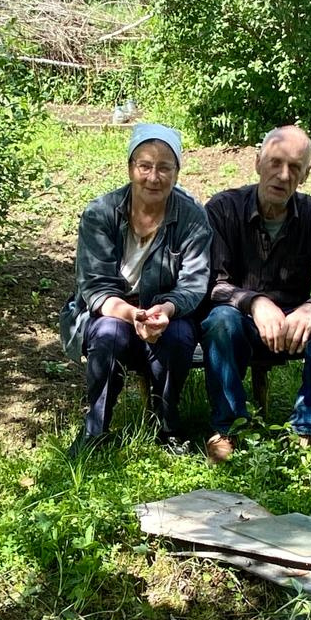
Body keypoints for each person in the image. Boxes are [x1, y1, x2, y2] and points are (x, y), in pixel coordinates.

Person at [200, 125, 311, 464]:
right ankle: (229, 428)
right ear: (258, 162)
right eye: (275, 162)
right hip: (242, 324)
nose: (283, 175)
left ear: (306, 174)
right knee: (220, 320)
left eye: (294, 168)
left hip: (293, 329)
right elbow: (211, 283)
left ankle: (309, 430)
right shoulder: (224, 209)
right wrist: (254, 302)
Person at [59, 123, 212, 458]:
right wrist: (133, 314)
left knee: (179, 336)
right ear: (130, 168)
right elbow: (94, 286)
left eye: (164, 168)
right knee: (108, 334)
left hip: (167, 310)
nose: (153, 177)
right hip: (115, 310)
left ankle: (169, 426)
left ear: (177, 172)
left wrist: (166, 310)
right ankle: (95, 429)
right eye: (144, 166)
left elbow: (195, 280)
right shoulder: (100, 213)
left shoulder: (191, 216)